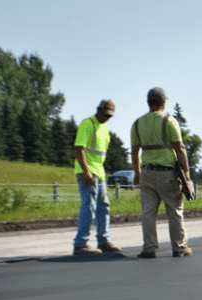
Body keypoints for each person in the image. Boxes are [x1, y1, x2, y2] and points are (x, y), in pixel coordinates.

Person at [131, 87, 192, 258]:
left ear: (148, 102)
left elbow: (135, 151)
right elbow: (179, 148)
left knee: (148, 213)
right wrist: (186, 173)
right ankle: (179, 247)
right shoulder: (169, 121)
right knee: (175, 211)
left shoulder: (137, 124)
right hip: (168, 174)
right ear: (164, 102)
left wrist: (137, 174)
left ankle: (149, 248)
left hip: (147, 174)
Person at [72, 99, 121, 255]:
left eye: (110, 116)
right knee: (89, 206)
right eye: (105, 114)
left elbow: (101, 155)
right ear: (98, 110)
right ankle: (81, 244)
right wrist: (86, 171)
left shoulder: (105, 129)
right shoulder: (88, 124)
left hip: (100, 173)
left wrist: (101, 175)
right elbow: (79, 149)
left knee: (104, 207)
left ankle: (104, 241)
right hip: (87, 172)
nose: (107, 117)